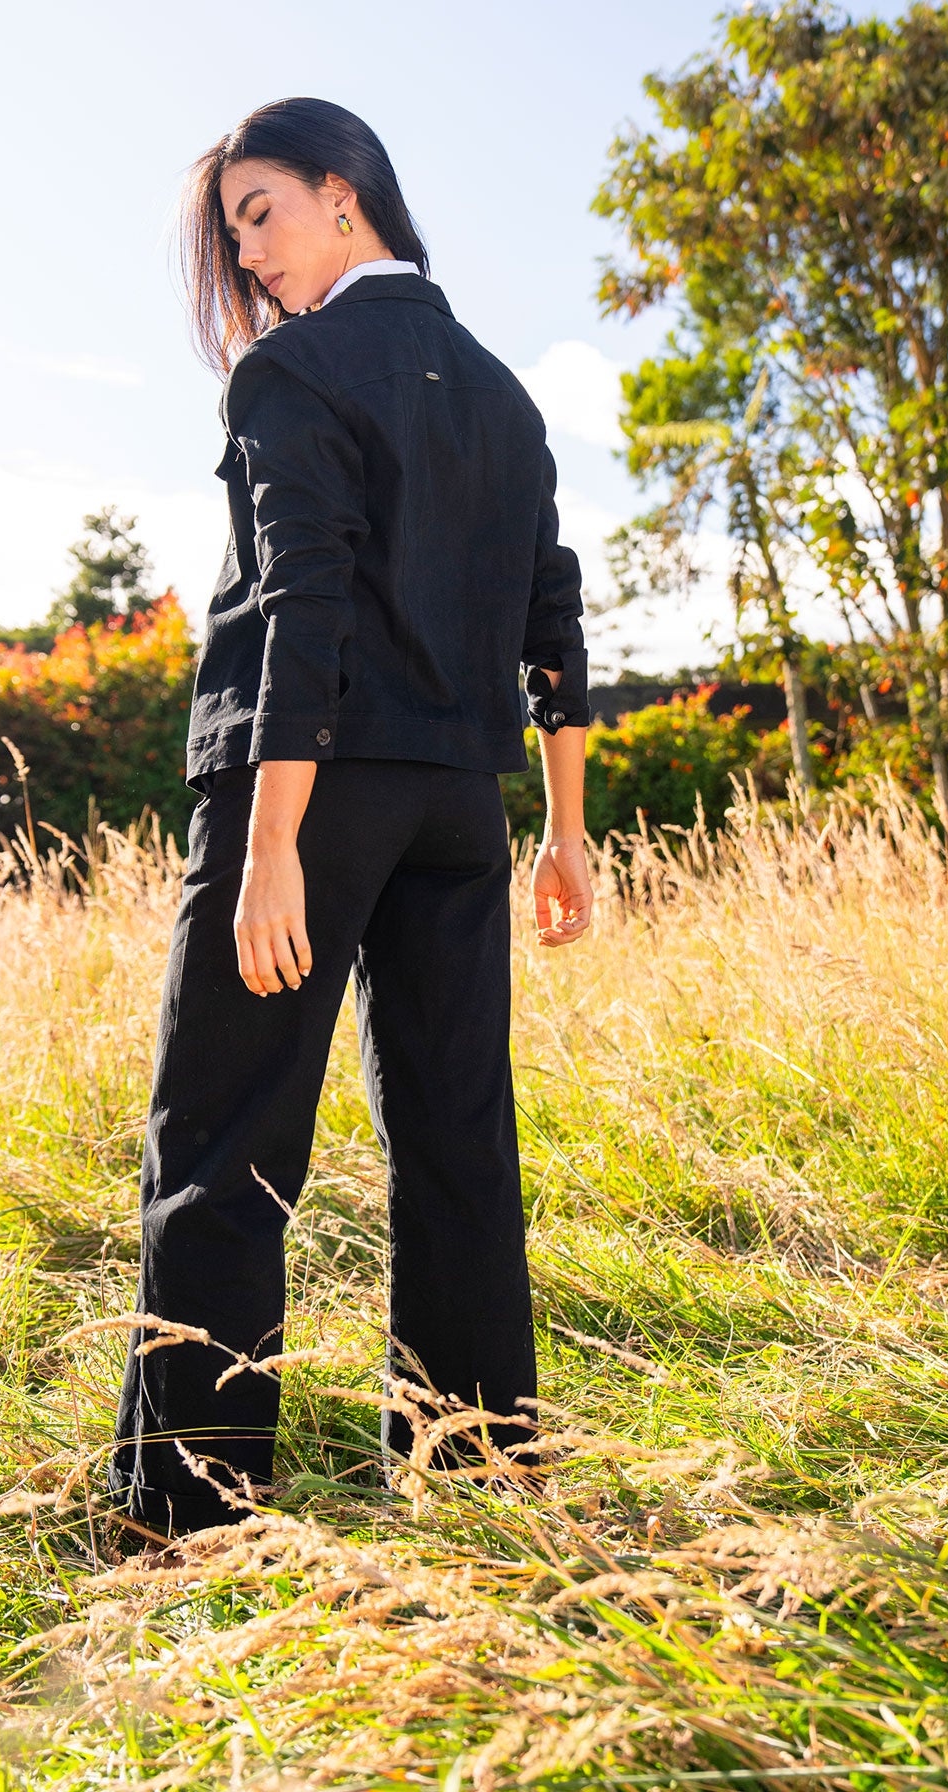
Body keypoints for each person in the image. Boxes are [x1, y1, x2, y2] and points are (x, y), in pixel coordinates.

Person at [108, 97, 592, 1534]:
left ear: (344, 194)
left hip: (310, 805)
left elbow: (300, 610)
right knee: (457, 1142)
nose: (247, 255)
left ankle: (186, 1518)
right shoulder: (501, 390)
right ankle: (483, 1476)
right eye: (231, 232)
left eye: (260, 213)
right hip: (460, 807)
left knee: (220, 1146)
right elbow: (548, 610)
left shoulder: (293, 376)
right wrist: (561, 831)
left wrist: (268, 854)